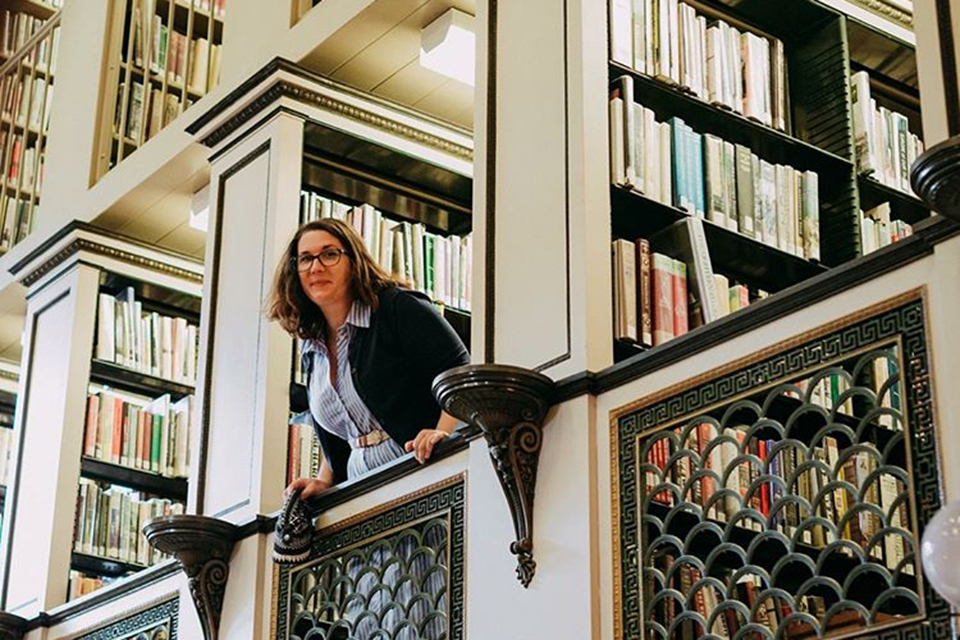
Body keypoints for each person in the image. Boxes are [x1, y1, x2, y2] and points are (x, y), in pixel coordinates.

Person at [268, 218, 470, 500]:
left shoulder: (397, 307)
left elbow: (460, 371)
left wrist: (442, 434)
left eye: (329, 254)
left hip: (421, 471)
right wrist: (324, 479)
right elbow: (347, 426)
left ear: (354, 260)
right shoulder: (312, 347)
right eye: (305, 259)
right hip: (359, 491)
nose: (315, 267)